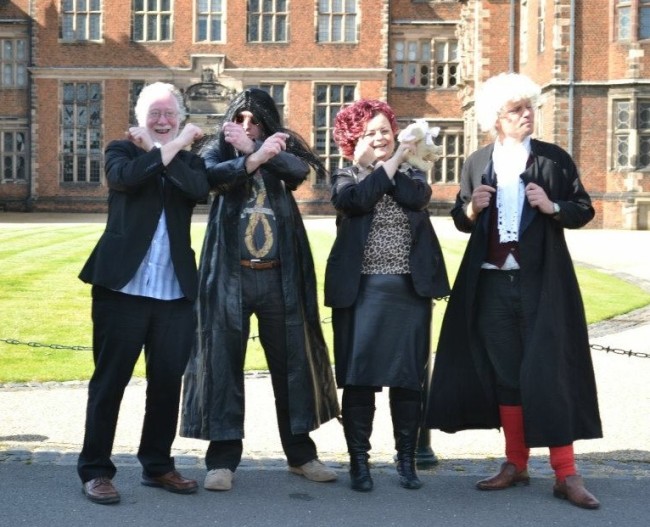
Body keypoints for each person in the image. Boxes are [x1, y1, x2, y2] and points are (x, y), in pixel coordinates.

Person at [424, 73, 602, 510]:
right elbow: (461, 218)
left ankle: (565, 473)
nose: (527, 115)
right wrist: (470, 207)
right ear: (496, 120)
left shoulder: (553, 160)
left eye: (530, 108)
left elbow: (584, 209)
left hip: (540, 283)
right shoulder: (476, 161)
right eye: (516, 111)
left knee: (550, 372)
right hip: (490, 284)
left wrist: (553, 206)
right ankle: (515, 463)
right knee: (506, 375)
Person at [180, 88, 340, 492]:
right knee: (222, 365)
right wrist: (251, 156)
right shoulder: (218, 150)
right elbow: (208, 179)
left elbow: (298, 173)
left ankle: (301, 455)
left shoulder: (279, 148)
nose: (247, 126)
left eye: (255, 120)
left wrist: (260, 149)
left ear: (268, 122)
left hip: (278, 276)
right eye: (241, 119)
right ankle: (221, 460)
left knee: (292, 366)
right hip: (230, 276)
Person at [77, 82, 209, 504]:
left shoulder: (191, 163)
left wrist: (167, 150)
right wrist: (164, 147)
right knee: (109, 382)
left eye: (171, 113)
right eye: (155, 113)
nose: (164, 120)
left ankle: (158, 465)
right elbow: (127, 180)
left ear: (181, 117)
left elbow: (197, 191)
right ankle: (96, 470)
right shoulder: (121, 151)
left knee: (167, 383)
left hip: (173, 293)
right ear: (139, 116)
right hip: (122, 289)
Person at [324, 99, 450, 492]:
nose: (379, 137)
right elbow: (357, 201)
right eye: (369, 132)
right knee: (360, 380)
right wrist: (377, 166)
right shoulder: (346, 175)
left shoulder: (413, 173)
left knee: (408, 379)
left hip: (408, 290)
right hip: (361, 291)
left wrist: (388, 164)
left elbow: (416, 198)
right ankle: (359, 464)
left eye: (384, 130)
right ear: (353, 139)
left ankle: (406, 461)